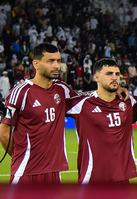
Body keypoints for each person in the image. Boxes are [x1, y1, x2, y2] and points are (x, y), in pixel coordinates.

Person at [0, 43, 78, 184]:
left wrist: (118, 91)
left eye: (58, 61)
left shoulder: (62, 90)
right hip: (26, 172)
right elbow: (4, 133)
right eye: (50, 61)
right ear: (36, 64)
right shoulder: (21, 92)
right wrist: (20, 156)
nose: (56, 66)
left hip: (54, 173)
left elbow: (88, 102)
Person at [66, 58, 137, 184]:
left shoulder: (128, 101)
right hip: (92, 178)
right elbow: (50, 100)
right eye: (109, 74)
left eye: (117, 74)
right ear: (96, 77)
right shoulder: (81, 104)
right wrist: (22, 85)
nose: (115, 77)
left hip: (122, 179)